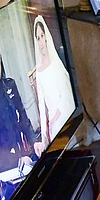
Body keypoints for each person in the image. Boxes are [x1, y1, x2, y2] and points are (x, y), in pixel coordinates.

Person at [0, 30, 43, 174]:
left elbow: (24, 120)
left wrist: (34, 141)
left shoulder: (11, 85)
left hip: (27, 157)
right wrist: (18, 160)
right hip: (11, 168)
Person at [32, 16, 76, 147]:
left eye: (42, 36)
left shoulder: (56, 63)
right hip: (52, 121)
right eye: (38, 38)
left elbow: (65, 93)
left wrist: (55, 118)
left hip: (63, 113)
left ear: (46, 37)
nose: (41, 42)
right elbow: (41, 106)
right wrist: (45, 134)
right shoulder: (39, 72)